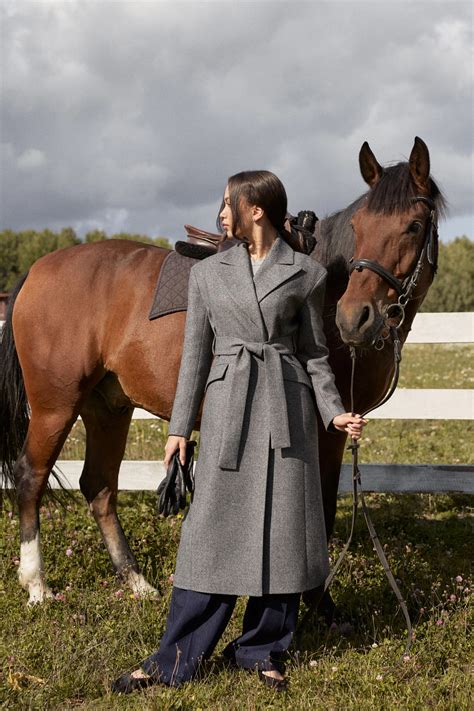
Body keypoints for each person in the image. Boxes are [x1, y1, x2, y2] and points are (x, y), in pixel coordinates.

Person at [112, 170, 366, 694]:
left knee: (284, 531)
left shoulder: (306, 274)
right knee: (209, 533)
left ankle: (261, 649)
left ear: (257, 209)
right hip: (230, 408)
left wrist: (333, 412)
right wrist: (179, 427)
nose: (221, 214)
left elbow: (315, 355)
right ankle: (174, 657)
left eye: (229, 204)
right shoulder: (208, 275)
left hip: (288, 408)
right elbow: (194, 359)